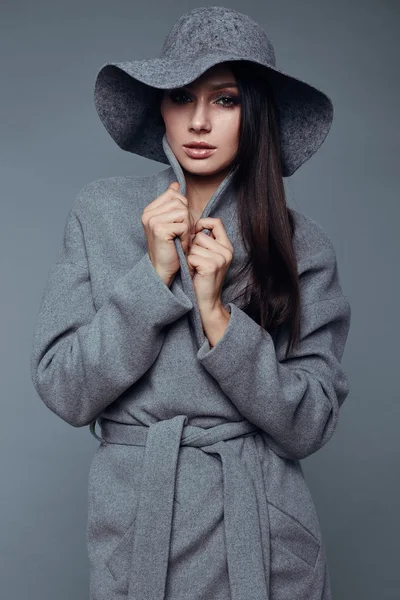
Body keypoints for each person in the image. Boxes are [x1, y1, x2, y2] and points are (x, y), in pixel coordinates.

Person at [30, 6, 351, 600]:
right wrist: (152, 279)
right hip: (136, 525)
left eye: (225, 99)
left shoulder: (301, 244)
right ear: (161, 106)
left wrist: (219, 319)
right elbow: (65, 391)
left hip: (261, 531)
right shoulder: (101, 213)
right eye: (182, 96)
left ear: (254, 112)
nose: (199, 121)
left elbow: (311, 424)